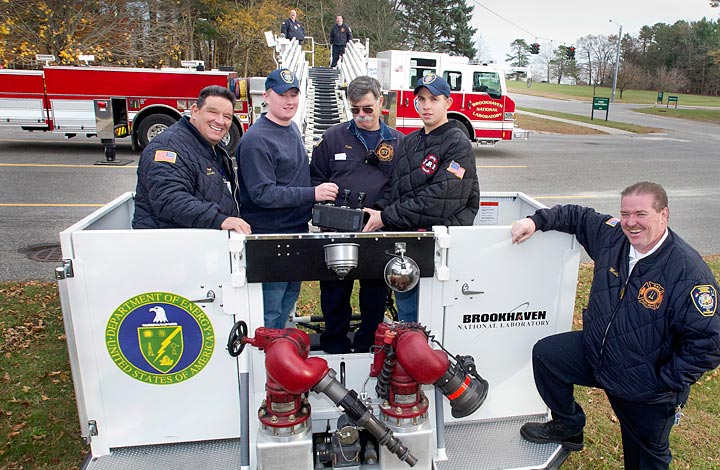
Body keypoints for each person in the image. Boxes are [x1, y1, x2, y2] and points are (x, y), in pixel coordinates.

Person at [511, 182, 720, 470]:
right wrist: (534, 221)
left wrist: (660, 382)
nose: (631, 223)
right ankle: (569, 426)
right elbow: (579, 216)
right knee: (547, 355)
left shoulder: (689, 272)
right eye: (625, 213)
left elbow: (708, 344)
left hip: (643, 386)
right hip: (598, 355)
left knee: (645, 459)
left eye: (641, 214)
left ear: (664, 214)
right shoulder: (613, 238)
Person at [363, 73, 479, 322]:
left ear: (448, 102)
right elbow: (396, 187)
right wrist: (374, 213)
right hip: (410, 246)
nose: (426, 106)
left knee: (432, 320)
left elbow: (441, 199)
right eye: (421, 99)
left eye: (434, 99)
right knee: (407, 315)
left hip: (439, 249)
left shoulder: (458, 143)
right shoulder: (411, 141)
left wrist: (386, 216)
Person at [236, 68, 338, 328]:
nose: (289, 100)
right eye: (282, 95)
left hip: (295, 232)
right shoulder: (256, 140)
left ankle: (281, 356)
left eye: (294, 94)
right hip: (271, 238)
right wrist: (312, 194)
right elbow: (262, 193)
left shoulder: (291, 127)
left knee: (287, 303)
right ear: (267, 96)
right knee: (270, 312)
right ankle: (266, 362)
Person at [310, 76, 404, 353]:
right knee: (334, 294)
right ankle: (335, 345)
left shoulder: (398, 142)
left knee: (374, 294)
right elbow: (315, 177)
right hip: (337, 230)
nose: (362, 116)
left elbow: (400, 186)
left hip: (377, 230)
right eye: (355, 110)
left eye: (367, 109)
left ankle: (368, 347)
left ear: (380, 102)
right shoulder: (332, 137)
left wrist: (382, 212)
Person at [133, 85, 250, 234]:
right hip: (169, 244)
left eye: (227, 116)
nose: (220, 121)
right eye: (213, 112)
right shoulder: (167, 147)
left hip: (200, 240)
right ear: (195, 111)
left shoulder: (212, 145)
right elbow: (169, 200)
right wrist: (219, 219)